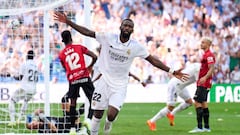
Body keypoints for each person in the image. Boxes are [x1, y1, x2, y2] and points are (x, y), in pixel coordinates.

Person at [54, 12, 189, 135]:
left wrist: (171, 71)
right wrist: (69, 22)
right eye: (125, 25)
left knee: (111, 115)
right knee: (97, 113)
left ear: (132, 30)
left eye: (130, 26)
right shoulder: (108, 37)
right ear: (120, 27)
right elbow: (88, 32)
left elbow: (153, 60)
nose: (127, 27)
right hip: (103, 81)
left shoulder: (136, 47)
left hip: (119, 85)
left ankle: (108, 124)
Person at [58, 30, 97, 129]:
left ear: (63, 41)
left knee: (73, 103)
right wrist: (90, 66)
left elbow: (65, 68)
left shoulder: (61, 54)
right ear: (71, 38)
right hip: (83, 75)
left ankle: (72, 129)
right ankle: (88, 119)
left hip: (73, 79)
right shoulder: (79, 47)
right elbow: (95, 56)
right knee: (93, 99)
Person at [147, 61, 201, 131]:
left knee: (189, 102)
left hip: (181, 86)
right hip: (175, 85)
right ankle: (151, 121)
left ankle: (172, 114)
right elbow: (199, 83)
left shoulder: (197, 65)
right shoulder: (199, 68)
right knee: (170, 108)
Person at [189, 37, 215, 133]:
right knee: (203, 102)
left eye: (203, 42)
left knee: (197, 102)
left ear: (208, 44)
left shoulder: (209, 55)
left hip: (204, 82)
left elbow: (211, 68)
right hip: (204, 82)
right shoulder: (206, 54)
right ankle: (207, 127)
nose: (201, 44)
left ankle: (200, 127)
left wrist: (204, 77)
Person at [8, 50, 38, 126]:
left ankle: (12, 121)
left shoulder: (25, 64)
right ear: (33, 57)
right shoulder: (36, 66)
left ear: (27, 56)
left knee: (12, 100)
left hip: (25, 87)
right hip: (33, 88)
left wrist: (12, 76)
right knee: (26, 101)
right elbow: (37, 79)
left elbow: (20, 77)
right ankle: (19, 119)